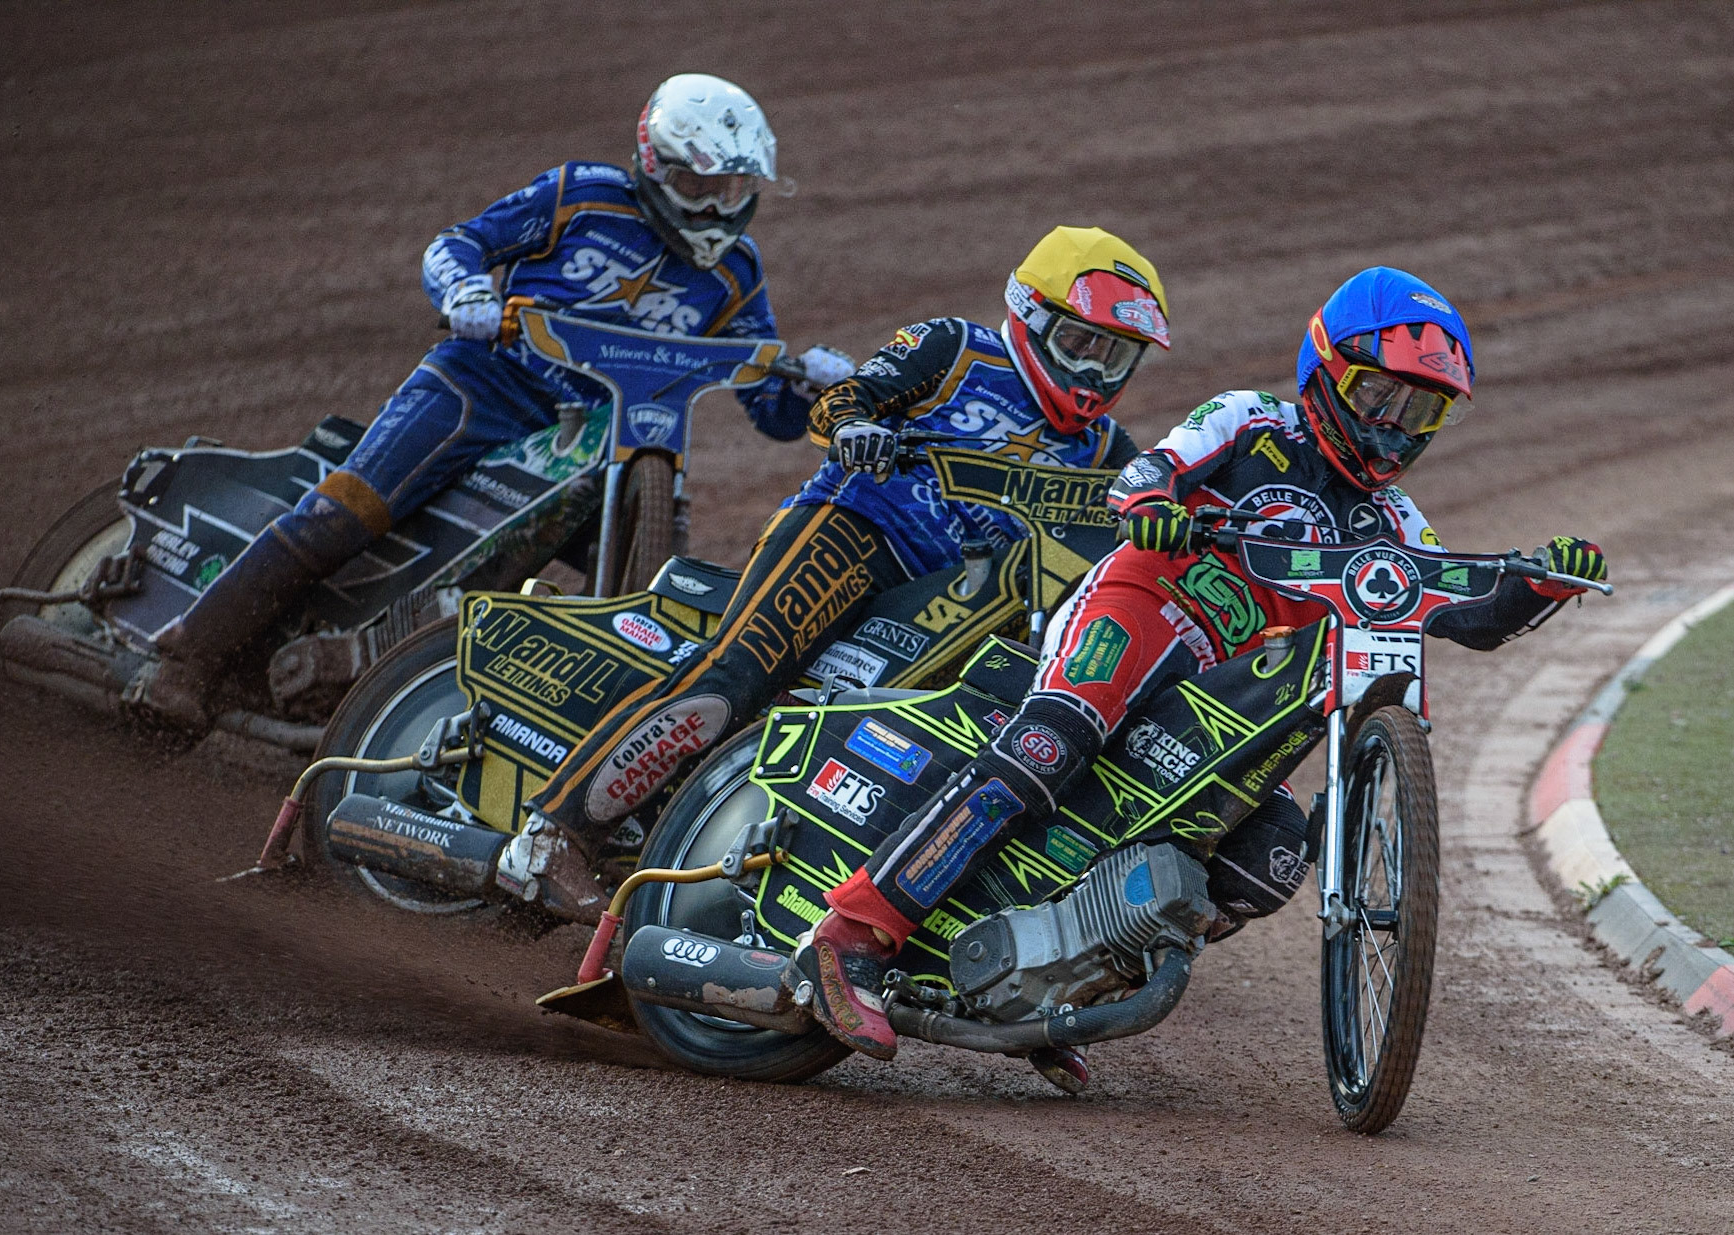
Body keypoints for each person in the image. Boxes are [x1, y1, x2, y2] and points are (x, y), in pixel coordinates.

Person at [796, 266, 1609, 1062]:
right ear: (1325, 371)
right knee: (1050, 744)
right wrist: (1151, 509)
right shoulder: (1250, 419)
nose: (1394, 425)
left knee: (1271, 857)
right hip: (1140, 609)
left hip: (1220, 694)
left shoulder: (1393, 519)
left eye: (1420, 408)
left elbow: (1460, 611)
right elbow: (1150, 470)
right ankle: (852, 936)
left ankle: (1051, 979)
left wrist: (1538, 580)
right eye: (1378, 396)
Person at [494, 226, 1174, 923]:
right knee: (734, 679)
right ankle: (551, 837)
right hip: (852, 530)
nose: (1093, 372)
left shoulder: (1103, 452)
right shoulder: (955, 349)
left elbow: (1142, 514)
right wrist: (855, 427)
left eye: (1115, 355)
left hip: (945, 596)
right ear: (1031, 316)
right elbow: (842, 398)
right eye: (1080, 344)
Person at [134, 73, 853, 731]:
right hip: (485, 385)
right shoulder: (582, 194)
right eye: (702, 185)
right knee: (345, 512)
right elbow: (459, 244)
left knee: (658, 587)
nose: (718, 206)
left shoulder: (735, 271)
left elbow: (772, 411)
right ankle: (186, 658)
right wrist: (468, 293)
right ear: (657, 166)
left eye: (733, 189)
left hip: (612, 442)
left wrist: (812, 385)